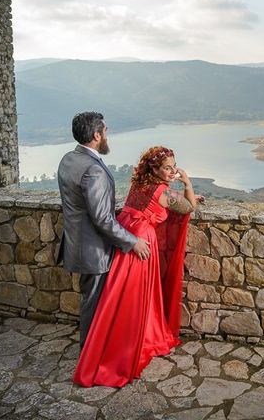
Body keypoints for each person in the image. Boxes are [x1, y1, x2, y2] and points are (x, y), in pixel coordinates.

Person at [73, 146, 201, 387]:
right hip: (141, 241)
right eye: (167, 167)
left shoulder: (139, 184)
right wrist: (187, 183)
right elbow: (188, 207)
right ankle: (129, 346)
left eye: (174, 166)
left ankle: (110, 344)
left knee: (120, 295)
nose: (172, 171)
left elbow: (151, 206)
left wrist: (175, 196)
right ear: (155, 168)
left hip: (127, 235)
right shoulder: (163, 191)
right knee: (137, 296)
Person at [57, 112, 150, 348]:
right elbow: (102, 218)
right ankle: (90, 355)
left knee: (91, 300)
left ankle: (95, 350)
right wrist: (132, 241)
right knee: (94, 303)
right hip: (93, 249)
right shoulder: (93, 169)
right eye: (106, 130)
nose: (108, 134)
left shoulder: (68, 158)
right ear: (97, 135)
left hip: (76, 243)